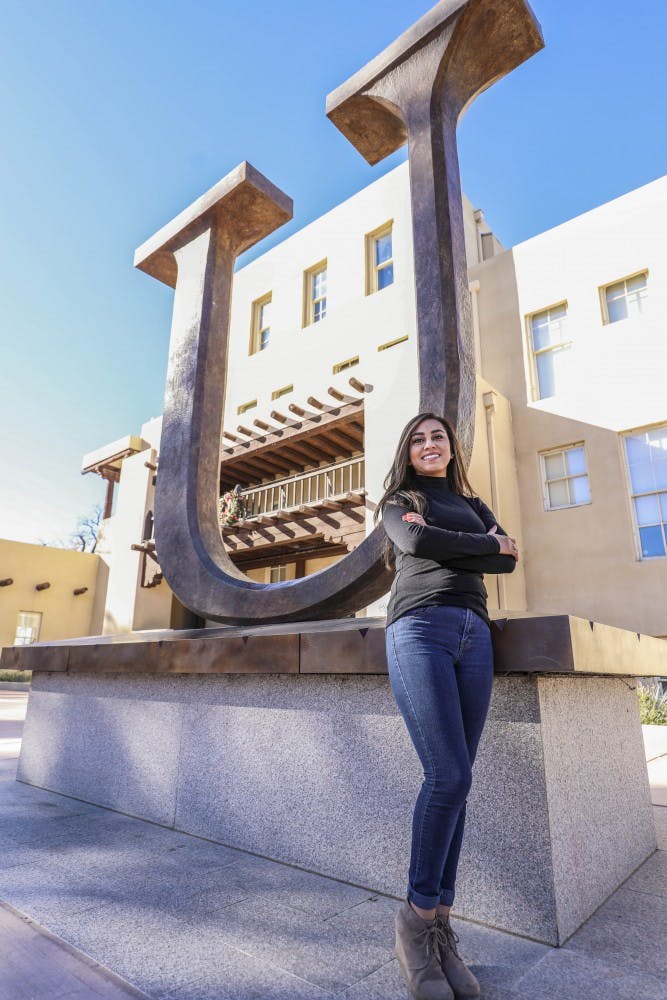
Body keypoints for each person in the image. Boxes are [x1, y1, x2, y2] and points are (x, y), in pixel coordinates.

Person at [376, 412, 519, 1000]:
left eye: (438, 436)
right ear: (408, 452)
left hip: (474, 635)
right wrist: (482, 547)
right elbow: (413, 539)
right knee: (448, 774)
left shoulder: (473, 502)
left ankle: (439, 927)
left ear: (451, 447)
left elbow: (508, 558)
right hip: (419, 628)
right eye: (418, 438)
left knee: (459, 783)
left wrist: (480, 546)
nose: (429, 444)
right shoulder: (398, 501)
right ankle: (414, 923)